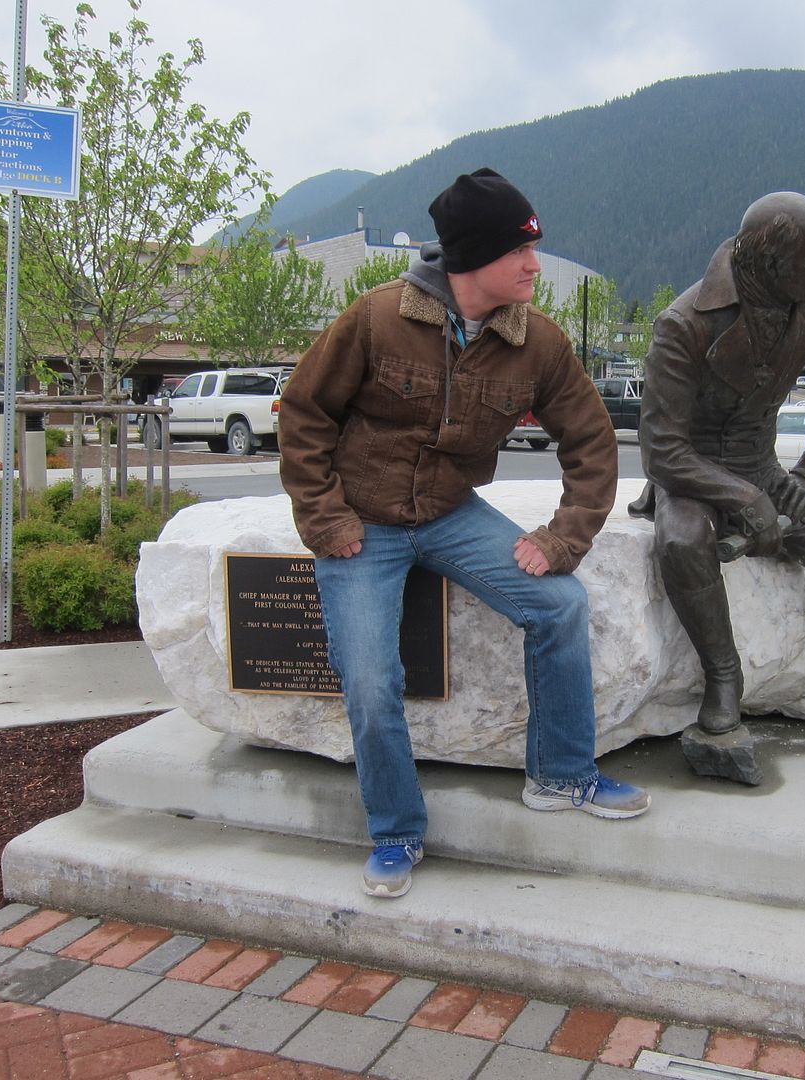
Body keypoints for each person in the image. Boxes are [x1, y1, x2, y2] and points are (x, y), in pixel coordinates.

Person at [279, 167, 650, 899]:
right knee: (371, 678)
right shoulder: (376, 318)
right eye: (522, 253)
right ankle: (394, 830)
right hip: (363, 524)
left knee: (561, 604)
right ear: (476, 258)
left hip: (451, 514)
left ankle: (561, 775)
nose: (535, 266)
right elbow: (303, 413)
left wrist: (562, 537)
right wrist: (324, 517)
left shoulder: (538, 342)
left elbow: (593, 443)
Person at [632, 191, 805, 769]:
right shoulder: (682, 323)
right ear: (768, 262)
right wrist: (742, 497)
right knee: (682, 542)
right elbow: (663, 451)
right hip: (693, 477)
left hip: (765, 469)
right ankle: (723, 677)